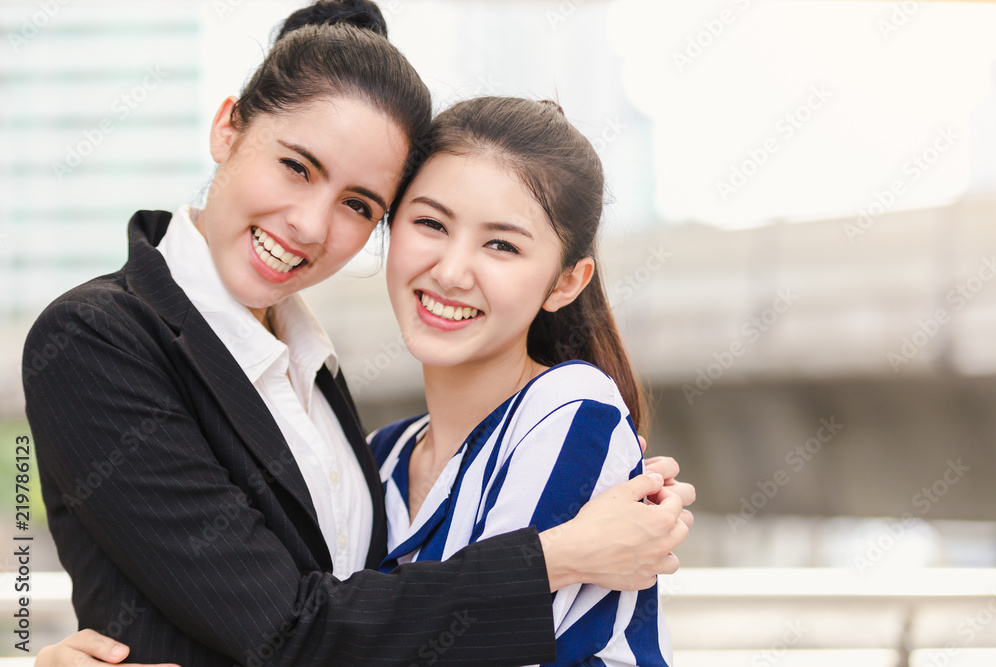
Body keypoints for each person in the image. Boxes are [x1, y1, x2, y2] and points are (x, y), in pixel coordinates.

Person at [23, 2, 693, 666]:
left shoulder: (317, 381)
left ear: (566, 281)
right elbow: (290, 628)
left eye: (357, 204)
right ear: (228, 126)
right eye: (296, 166)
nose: (310, 225)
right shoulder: (97, 336)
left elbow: (335, 619)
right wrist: (557, 557)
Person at [369, 95, 674, 665]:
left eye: (501, 245)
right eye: (431, 223)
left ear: (566, 283)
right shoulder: (378, 457)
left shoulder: (572, 410)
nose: (451, 272)